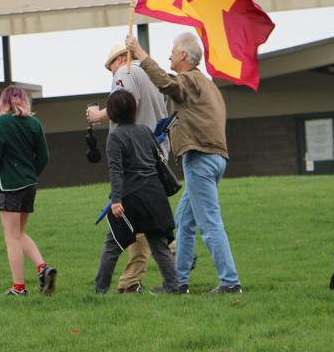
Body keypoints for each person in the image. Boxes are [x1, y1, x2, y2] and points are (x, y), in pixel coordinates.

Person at [125, 32, 242, 295]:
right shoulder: (207, 84)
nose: (168, 55)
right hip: (215, 158)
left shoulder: (188, 80)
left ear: (183, 56)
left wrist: (140, 53)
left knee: (209, 223)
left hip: (199, 158)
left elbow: (167, 85)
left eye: (171, 51)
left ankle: (230, 282)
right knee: (184, 221)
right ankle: (178, 282)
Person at [86, 42, 172, 294]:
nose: (112, 74)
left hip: (132, 162)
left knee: (119, 229)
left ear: (120, 58)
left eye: (111, 66)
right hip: (154, 155)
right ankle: (162, 270)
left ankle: (127, 281)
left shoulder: (126, 73)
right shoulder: (151, 72)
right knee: (152, 226)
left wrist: (97, 116)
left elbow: (124, 104)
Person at [94, 89, 178, 294]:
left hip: (130, 197)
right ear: (135, 109)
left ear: (112, 113)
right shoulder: (145, 131)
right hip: (154, 194)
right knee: (158, 243)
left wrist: (115, 200)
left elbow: (116, 171)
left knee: (113, 244)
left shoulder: (115, 137)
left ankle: (100, 290)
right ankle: (172, 286)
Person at [0, 86, 55, 296]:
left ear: (3, 102)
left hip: (10, 185)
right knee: (20, 233)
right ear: (24, 101)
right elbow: (44, 156)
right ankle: (43, 267)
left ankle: (19, 288)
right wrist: (31, 173)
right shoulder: (34, 124)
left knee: (11, 237)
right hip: (30, 184)